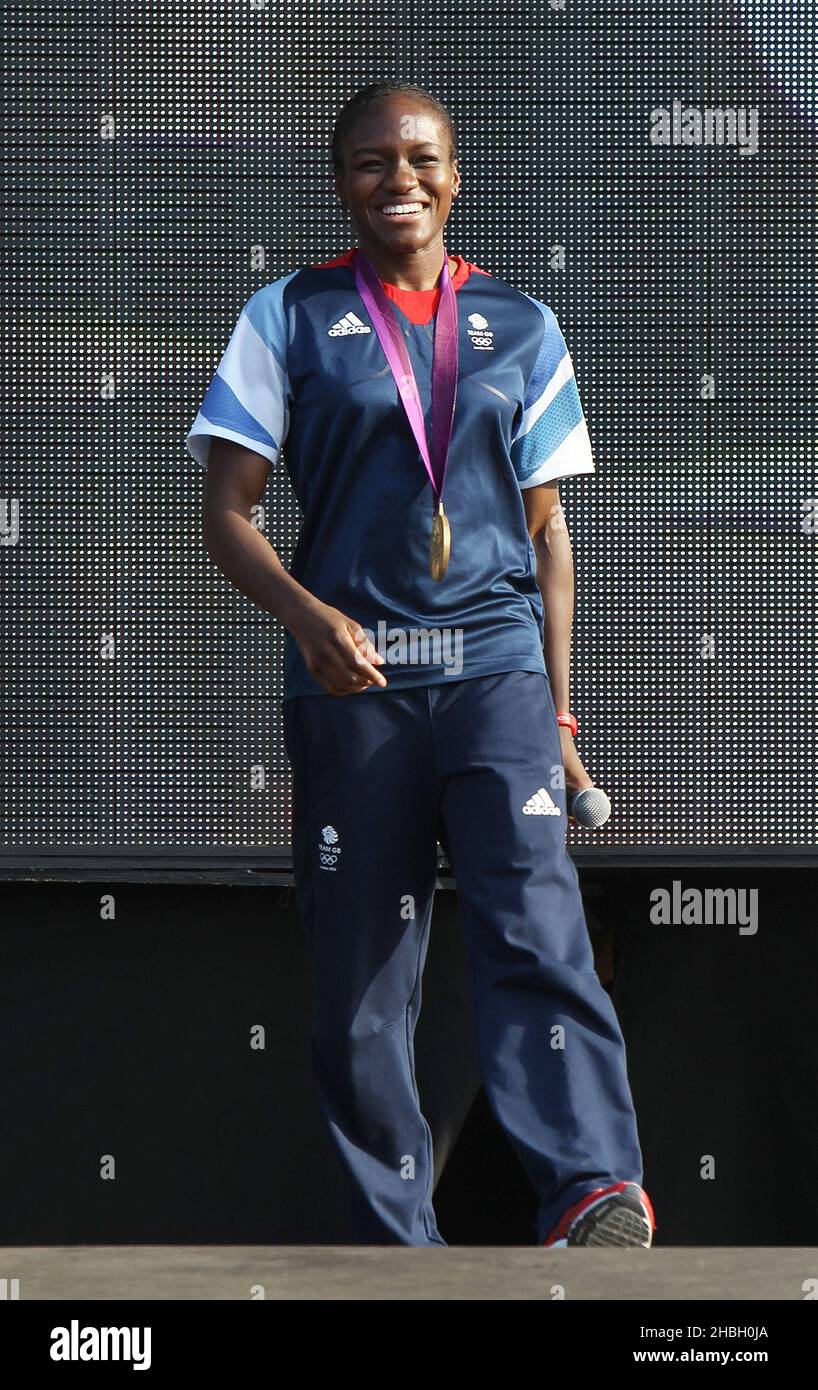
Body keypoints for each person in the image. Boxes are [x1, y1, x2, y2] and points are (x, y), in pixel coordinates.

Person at [186, 80, 655, 1249]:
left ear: (455, 175)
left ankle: (593, 1192)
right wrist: (307, 618)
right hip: (357, 685)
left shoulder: (520, 326)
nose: (397, 179)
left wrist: (555, 710)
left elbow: (546, 534)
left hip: (495, 674)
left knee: (537, 929)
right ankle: (396, 1238)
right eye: (368, 162)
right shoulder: (286, 316)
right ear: (339, 181)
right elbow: (226, 512)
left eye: (419, 158)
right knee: (362, 979)